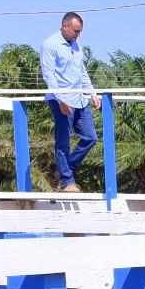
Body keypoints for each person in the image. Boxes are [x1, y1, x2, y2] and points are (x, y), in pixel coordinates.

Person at [40, 11, 101, 194]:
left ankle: (64, 169)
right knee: (63, 142)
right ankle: (68, 181)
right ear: (65, 26)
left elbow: (82, 72)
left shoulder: (76, 45)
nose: (78, 35)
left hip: (79, 99)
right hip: (62, 101)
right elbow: (49, 75)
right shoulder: (50, 44)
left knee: (90, 137)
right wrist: (60, 99)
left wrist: (92, 93)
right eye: (76, 31)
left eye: (80, 31)